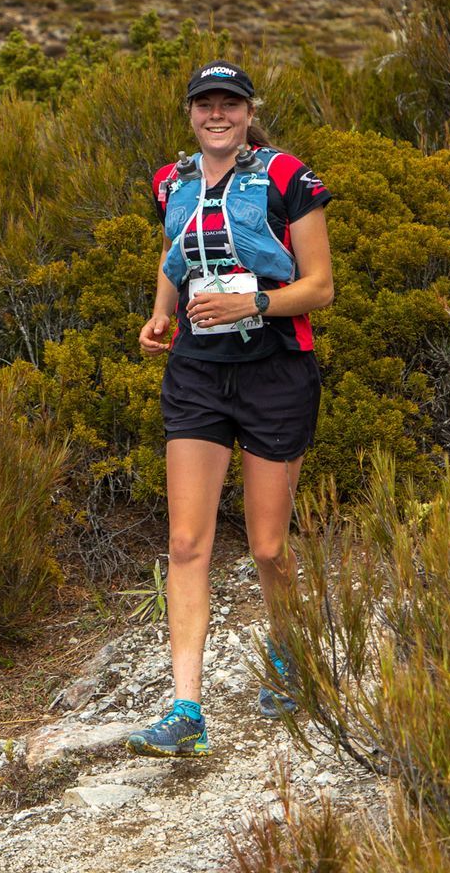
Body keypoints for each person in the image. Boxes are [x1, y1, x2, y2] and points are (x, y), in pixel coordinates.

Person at [124, 60, 335, 758]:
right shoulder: (171, 181)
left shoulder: (286, 178)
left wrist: (255, 302)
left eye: (230, 103)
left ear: (249, 111)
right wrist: (161, 315)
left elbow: (321, 287)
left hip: (276, 370)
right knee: (187, 543)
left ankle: (289, 650)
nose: (218, 114)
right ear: (190, 112)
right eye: (205, 104)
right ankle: (187, 709)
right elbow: (172, 251)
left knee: (269, 545)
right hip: (198, 375)